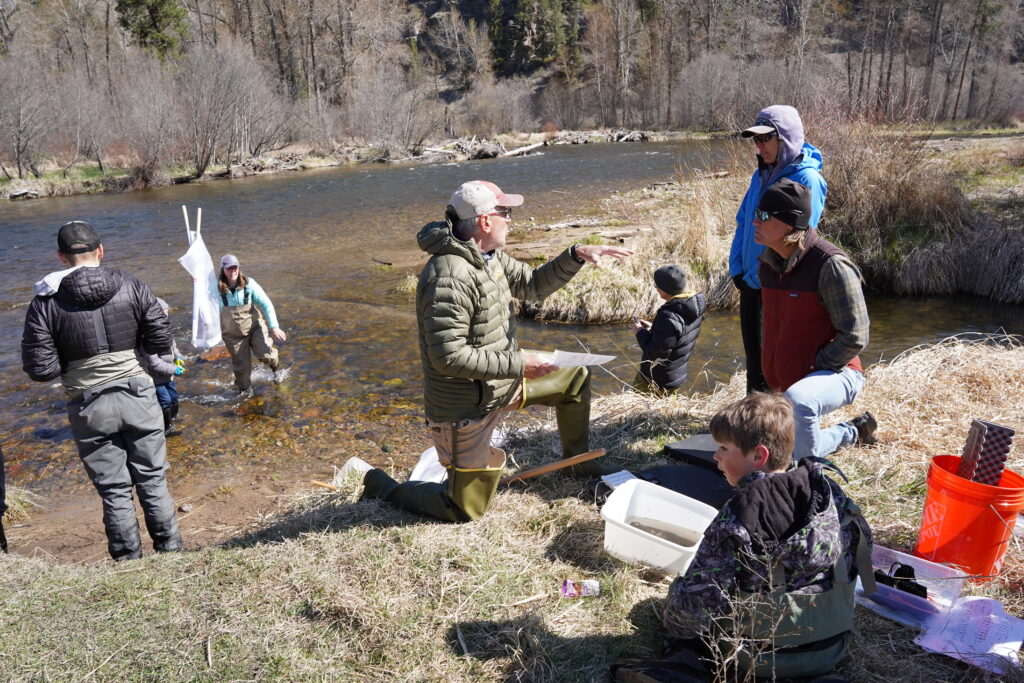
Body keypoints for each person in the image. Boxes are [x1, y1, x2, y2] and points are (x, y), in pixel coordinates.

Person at [356, 180, 633, 522]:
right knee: (464, 508)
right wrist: (519, 363)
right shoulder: (448, 276)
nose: (511, 220)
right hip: (464, 409)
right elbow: (448, 357)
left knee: (574, 378)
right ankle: (380, 486)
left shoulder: (489, 257)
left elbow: (532, 285)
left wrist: (575, 254)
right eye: (506, 213)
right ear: (485, 221)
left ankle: (580, 462)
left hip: (500, 384)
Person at [614, 393, 875, 681]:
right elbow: (863, 553)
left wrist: (671, 613)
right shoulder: (829, 492)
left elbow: (692, 608)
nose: (715, 456)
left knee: (676, 623)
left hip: (758, 658)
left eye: (724, 448)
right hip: (831, 647)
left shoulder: (741, 514)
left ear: (758, 455)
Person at [21, 221, 182, 561]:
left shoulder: (44, 303)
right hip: (139, 396)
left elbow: (41, 370)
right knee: (153, 480)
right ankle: (171, 554)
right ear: (101, 251)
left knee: (114, 490)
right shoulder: (131, 285)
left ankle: (127, 564)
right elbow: (161, 338)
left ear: (61, 257)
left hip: (88, 405)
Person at [756, 178, 876, 460]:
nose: (754, 222)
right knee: (760, 447)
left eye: (763, 216)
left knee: (797, 456)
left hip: (838, 373)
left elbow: (856, 335)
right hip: (786, 385)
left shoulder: (830, 266)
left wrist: (813, 367)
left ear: (788, 225)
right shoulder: (768, 263)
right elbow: (769, 325)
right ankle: (856, 430)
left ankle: (847, 435)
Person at [731, 105, 827, 395]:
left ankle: (772, 430)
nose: (759, 147)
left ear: (784, 137)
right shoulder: (759, 175)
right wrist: (736, 268)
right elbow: (742, 222)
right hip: (749, 281)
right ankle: (750, 428)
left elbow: (799, 238)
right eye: (755, 140)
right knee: (754, 358)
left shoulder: (807, 178)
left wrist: (768, 277)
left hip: (778, 285)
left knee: (775, 363)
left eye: (765, 138)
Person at [214, 254, 286, 396]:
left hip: (254, 328)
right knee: (241, 369)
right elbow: (201, 297)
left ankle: (276, 368)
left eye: (235, 268)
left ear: (239, 268)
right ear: (223, 269)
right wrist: (196, 280)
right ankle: (246, 394)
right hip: (232, 334)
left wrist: (274, 326)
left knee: (266, 355)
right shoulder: (214, 287)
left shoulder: (250, 284)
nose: (232, 271)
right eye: (228, 268)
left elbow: (266, 304)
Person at [633, 265, 706, 395]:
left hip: (656, 379)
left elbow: (656, 354)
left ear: (664, 289)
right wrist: (654, 328)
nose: (655, 288)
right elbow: (678, 336)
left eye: (656, 286)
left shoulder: (668, 316)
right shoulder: (693, 306)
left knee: (636, 408)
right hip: (676, 375)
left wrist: (640, 333)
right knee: (666, 412)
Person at [138, 298, 185, 434]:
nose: (166, 315)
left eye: (167, 312)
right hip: (155, 378)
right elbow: (154, 362)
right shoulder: (145, 338)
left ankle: (173, 418)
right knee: (165, 401)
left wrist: (178, 357)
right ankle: (166, 428)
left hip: (168, 375)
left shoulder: (165, 328)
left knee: (174, 398)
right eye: (163, 312)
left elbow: (173, 346)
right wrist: (174, 369)